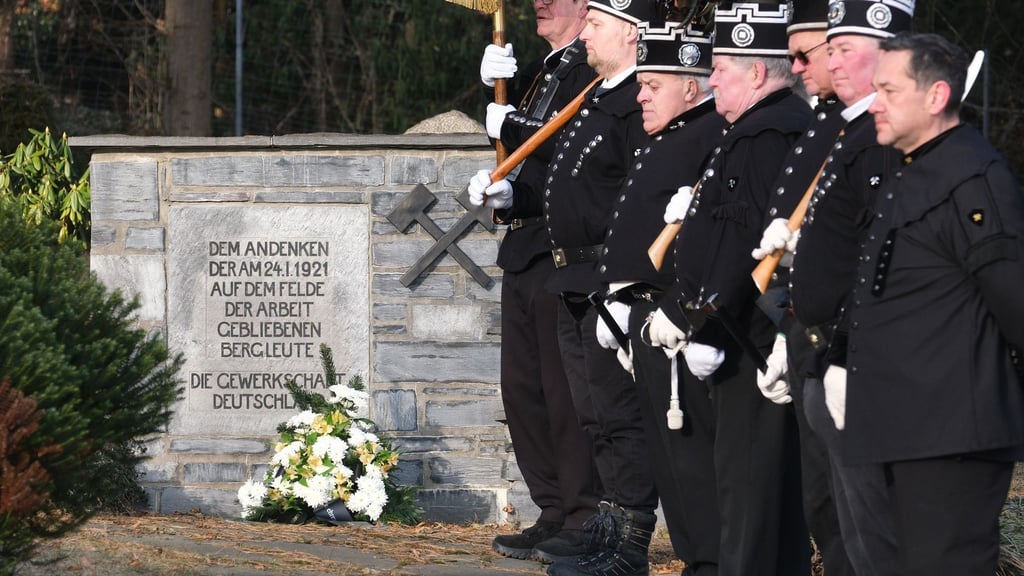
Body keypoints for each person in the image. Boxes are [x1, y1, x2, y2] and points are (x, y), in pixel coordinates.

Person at [839, 31, 1024, 575]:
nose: (875, 103)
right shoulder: (916, 167)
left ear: (937, 96)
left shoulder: (972, 177)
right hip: (907, 422)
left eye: (889, 91)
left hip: (952, 433)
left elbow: (1013, 297)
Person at [645, 3, 812, 574]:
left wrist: (708, 325)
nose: (711, 79)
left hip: (748, 338)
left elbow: (743, 238)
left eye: (721, 68)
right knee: (751, 490)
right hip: (741, 331)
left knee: (750, 494)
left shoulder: (765, 133)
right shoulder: (754, 128)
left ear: (757, 73)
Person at [780, 2, 914, 573]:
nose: (829, 62)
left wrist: (845, 352)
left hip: (856, 357)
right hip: (819, 349)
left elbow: (880, 259)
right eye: (829, 49)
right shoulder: (849, 129)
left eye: (843, 50)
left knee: (871, 528)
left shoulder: (885, 137)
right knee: (832, 513)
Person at [470, 0, 601, 564]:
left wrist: (513, 122)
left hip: (563, 249)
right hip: (526, 246)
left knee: (564, 392)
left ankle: (584, 514)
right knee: (523, 391)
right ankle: (552, 508)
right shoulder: (548, 70)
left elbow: (575, 150)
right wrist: (509, 197)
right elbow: (535, 169)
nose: (539, 3)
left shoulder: (591, 66)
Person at [593, 20, 725, 575]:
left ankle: (711, 561)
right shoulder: (669, 135)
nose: (640, 95)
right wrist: (621, 293)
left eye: (652, 84)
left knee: (693, 457)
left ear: (690, 86)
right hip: (646, 314)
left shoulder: (710, 134)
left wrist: (679, 307)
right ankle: (698, 558)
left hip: (682, 319)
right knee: (672, 461)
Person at [747, 0, 855, 573]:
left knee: (852, 513)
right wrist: (784, 328)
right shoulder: (824, 119)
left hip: (845, 340)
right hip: (802, 326)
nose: (796, 66)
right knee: (823, 504)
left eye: (805, 54)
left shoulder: (858, 126)